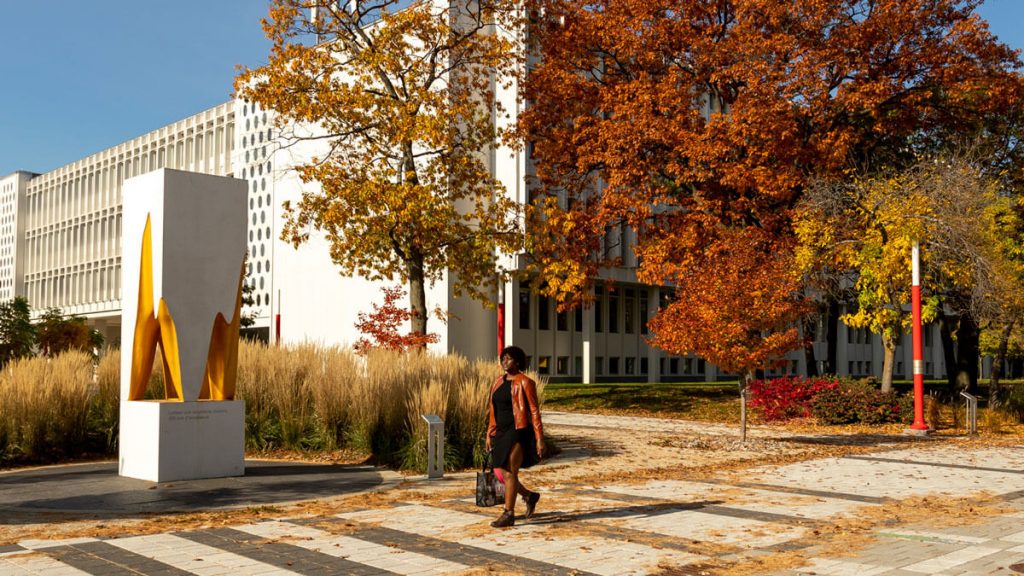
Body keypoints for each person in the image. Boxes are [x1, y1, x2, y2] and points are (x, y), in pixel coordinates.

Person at [486, 345, 545, 528]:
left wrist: (539, 437)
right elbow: (492, 410)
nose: (504, 361)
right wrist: (489, 432)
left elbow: (534, 411)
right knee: (498, 471)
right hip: (501, 432)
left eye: (508, 358)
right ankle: (528, 495)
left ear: (517, 361)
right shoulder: (498, 382)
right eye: (503, 358)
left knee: (510, 471)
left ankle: (508, 513)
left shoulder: (525, 382)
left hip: (518, 430)